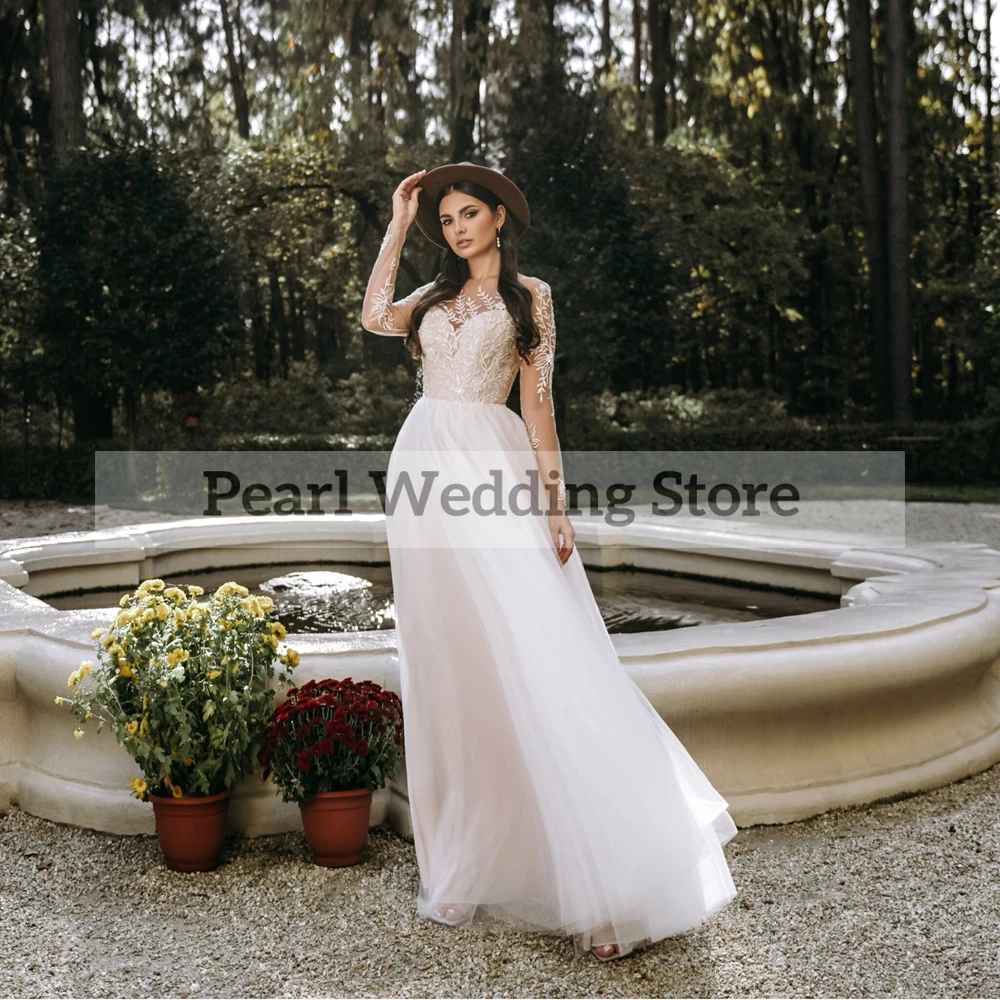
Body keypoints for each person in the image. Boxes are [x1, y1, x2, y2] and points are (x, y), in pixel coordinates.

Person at [360, 161, 738, 962]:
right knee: (452, 667)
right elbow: (371, 317)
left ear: (500, 217)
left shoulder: (533, 299)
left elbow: (539, 406)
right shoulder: (429, 301)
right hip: (421, 474)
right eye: (447, 220)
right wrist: (396, 222)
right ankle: (466, 863)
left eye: (469, 214)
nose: (458, 229)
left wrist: (555, 502)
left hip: (491, 475)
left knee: (540, 655)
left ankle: (607, 883)